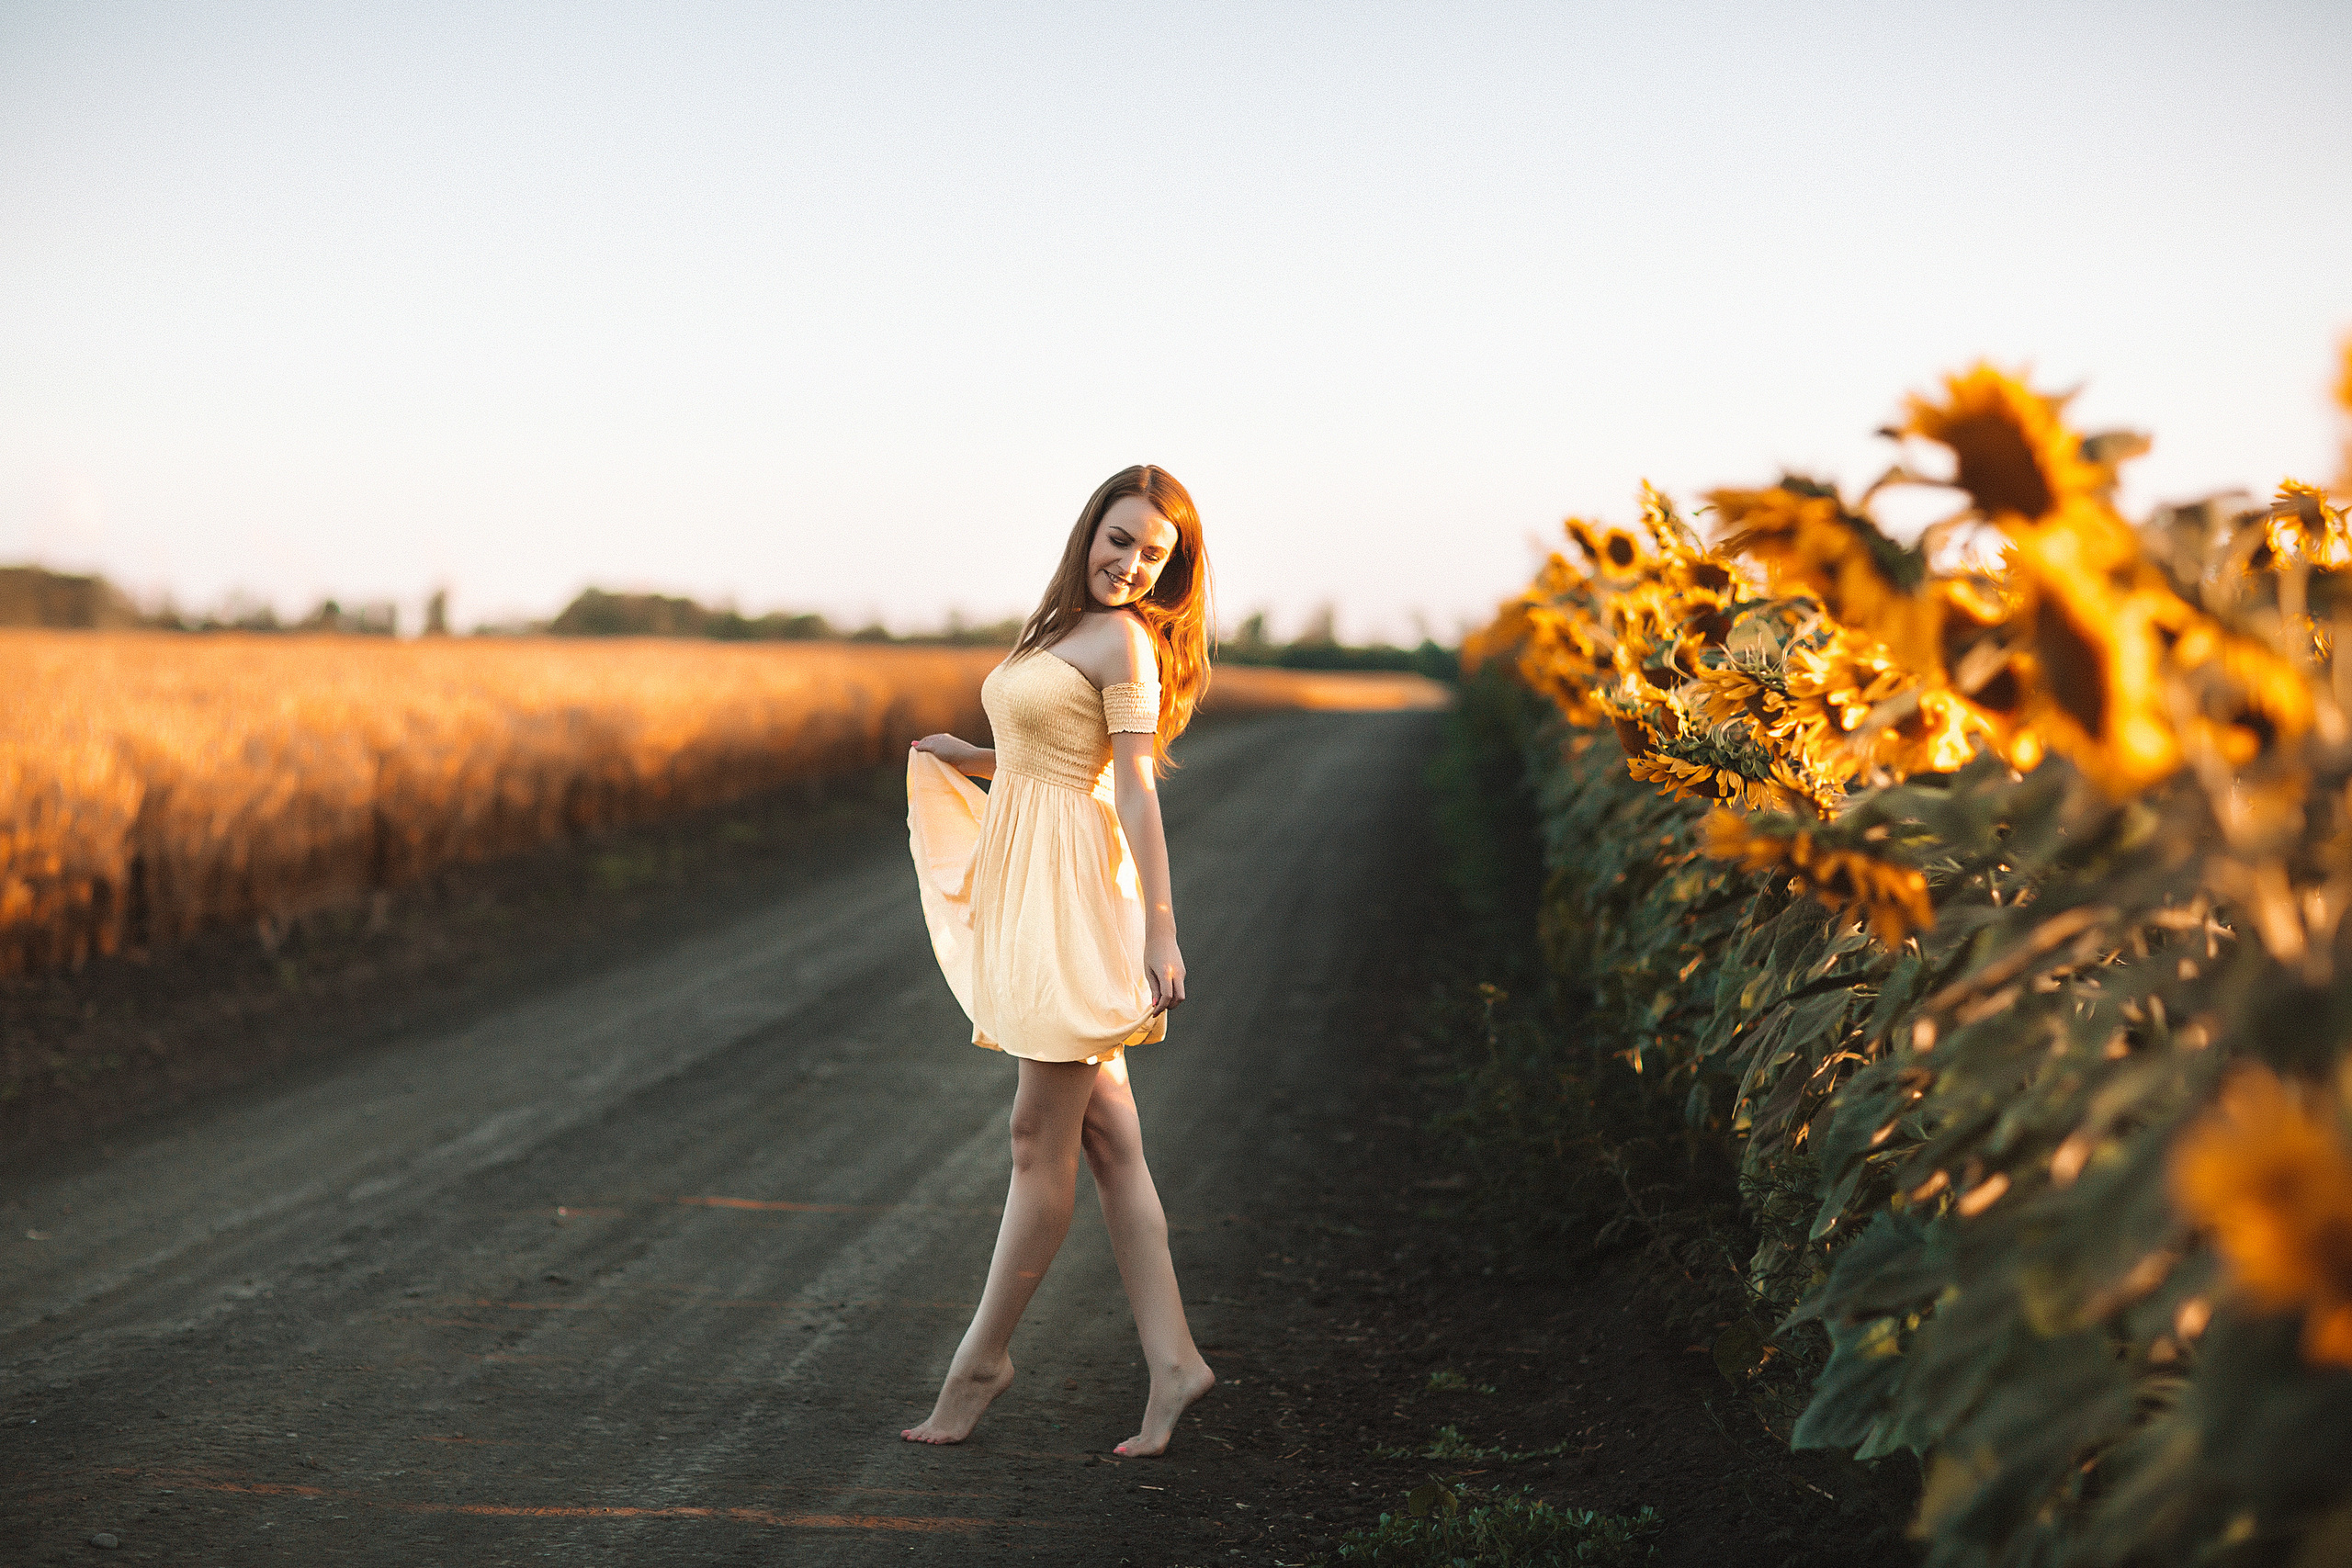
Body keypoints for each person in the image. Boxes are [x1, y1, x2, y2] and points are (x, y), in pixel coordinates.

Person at [899, 465, 1216, 1458]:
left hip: (1076, 895)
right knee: (1109, 1140)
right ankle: (1174, 1361)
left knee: (1038, 1138)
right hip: (1031, 883)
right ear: (1090, 531)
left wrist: (1159, 930)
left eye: (1154, 555)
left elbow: (1133, 787)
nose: (1132, 565)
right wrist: (970, 755)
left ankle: (979, 1362)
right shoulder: (1057, 627)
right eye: (1120, 540)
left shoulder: (1126, 641)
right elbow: (1047, 754)